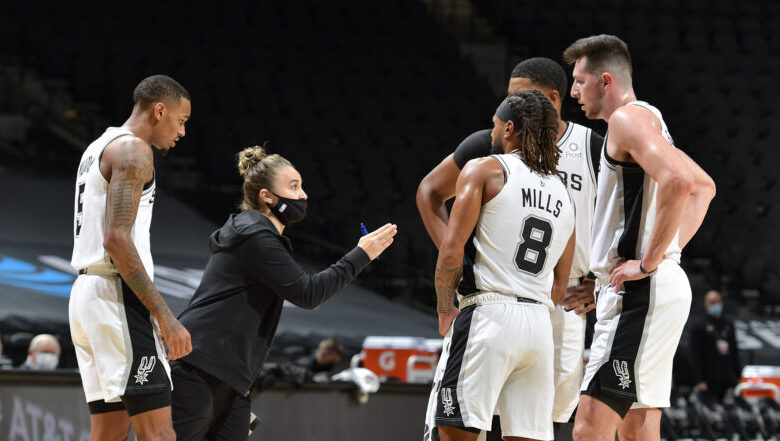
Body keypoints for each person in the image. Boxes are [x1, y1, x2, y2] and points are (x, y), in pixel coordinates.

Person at [418, 57, 602, 441]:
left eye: (497, 125)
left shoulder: (485, 169)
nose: (492, 132)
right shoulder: (562, 192)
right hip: (539, 322)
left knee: (453, 431)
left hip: (489, 313)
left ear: (511, 128)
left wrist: (444, 305)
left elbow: (451, 253)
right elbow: (559, 282)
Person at [170, 146, 397, 441]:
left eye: (301, 186)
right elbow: (308, 293)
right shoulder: (255, 234)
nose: (303, 195)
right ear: (267, 196)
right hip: (200, 368)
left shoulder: (256, 234)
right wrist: (361, 254)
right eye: (294, 186)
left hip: (232, 378)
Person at [562, 35, 716, 441]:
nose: (573, 91)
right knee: (636, 428)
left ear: (606, 81)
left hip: (641, 294)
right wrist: (663, 255)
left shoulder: (627, 119)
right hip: (651, 289)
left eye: (580, 80)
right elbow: (704, 187)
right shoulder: (649, 121)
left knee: (588, 429)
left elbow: (681, 182)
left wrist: (648, 262)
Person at [69, 75, 192, 441]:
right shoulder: (135, 150)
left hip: (85, 297)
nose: (182, 132)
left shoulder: (97, 146)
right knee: (159, 434)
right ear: (159, 110)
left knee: (109, 432)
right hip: (115, 295)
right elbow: (117, 240)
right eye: (181, 120)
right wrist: (165, 317)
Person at [690, 290, 741, 401]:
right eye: (712, 302)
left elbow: (734, 350)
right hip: (708, 377)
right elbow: (695, 355)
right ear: (706, 304)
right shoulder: (699, 325)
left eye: (717, 302)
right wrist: (699, 380)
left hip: (727, 375)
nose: (715, 305)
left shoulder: (728, 323)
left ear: (722, 302)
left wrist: (737, 375)